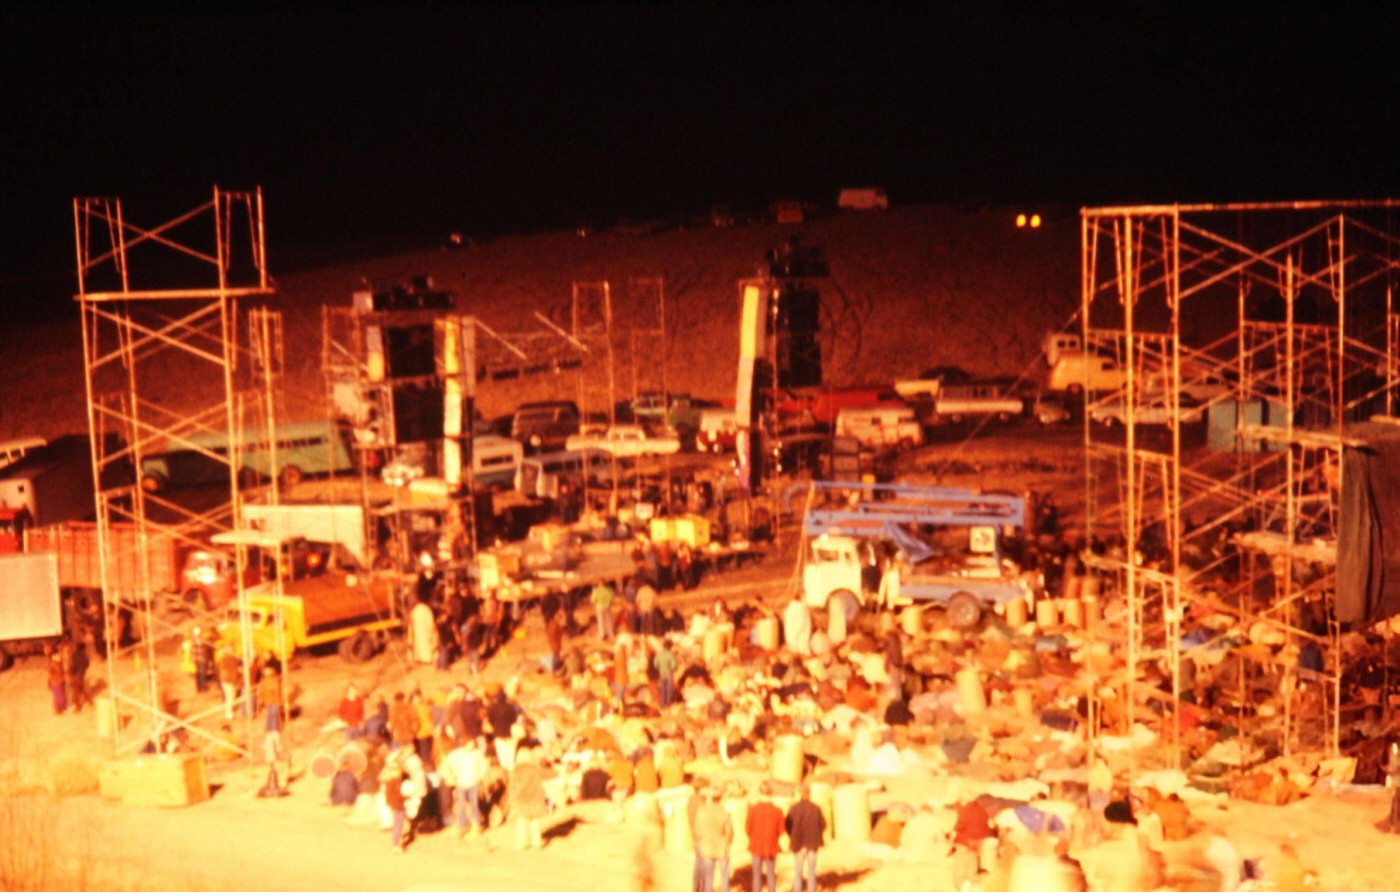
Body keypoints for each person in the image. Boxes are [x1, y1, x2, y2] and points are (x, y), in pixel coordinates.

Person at [440, 736, 489, 837]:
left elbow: (484, 765)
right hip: (460, 783)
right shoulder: (456, 754)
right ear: (464, 744)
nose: (472, 745)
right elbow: (445, 764)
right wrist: (450, 777)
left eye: (472, 743)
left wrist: (480, 776)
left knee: (474, 805)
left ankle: (477, 826)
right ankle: (462, 826)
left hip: (473, 783)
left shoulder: (477, 754)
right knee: (461, 806)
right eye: (469, 743)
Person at [786, 784, 826, 892]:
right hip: (812, 844)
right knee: (811, 872)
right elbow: (823, 825)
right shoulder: (816, 808)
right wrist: (816, 834)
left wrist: (793, 835)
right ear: (809, 794)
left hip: (798, 844)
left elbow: (787, 825)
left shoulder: (794, 808)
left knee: (798, 871)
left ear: (800, 794)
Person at [746, 783, 784, 892]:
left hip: (756, 846)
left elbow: (748, 828)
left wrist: (753, 836)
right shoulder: (777, 811)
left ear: (760, 794)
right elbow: (781, 830)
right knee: (771, 874)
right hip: (771, 846)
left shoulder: (753, 810)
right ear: (771, 794)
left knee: (756, 875)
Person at [510, 747, 551, 849]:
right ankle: (536, 841)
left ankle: (521, 843)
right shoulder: (535, 768)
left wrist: (513, 797)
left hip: (522, 798)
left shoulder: (516, 770)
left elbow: (512, 785)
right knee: (535, 821)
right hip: (535, 797)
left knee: (522, 821)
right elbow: (548, 774)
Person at [694, 786, 734, 892]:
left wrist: (703, 839)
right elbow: (730, 832)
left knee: (708, 878)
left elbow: (697, 831)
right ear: (720, 798)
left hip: (707, 847)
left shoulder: (701, 811)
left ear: (710, 798)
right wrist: (727, 842)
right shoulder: (724, 812)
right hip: (722, 847)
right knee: (725, 877)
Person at [654, 638, 679, 709]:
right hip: (669, 673)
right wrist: (671, 669)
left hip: (661, 673)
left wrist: (660, 668)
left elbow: (655, 664)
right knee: (669, 689)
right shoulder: (671, 655)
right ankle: (668, 703)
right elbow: (674, 665)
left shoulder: (659, 654)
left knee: (662, 689)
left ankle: (662, 703)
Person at [67, 640, 91, 712]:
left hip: (75, 675)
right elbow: (87, 664)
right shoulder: (85, 655)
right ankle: (89, 701)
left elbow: (72, 665)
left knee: (75, 692)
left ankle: (77, 707)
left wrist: (70, 672)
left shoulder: (74, 655)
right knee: (80, 689)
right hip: (82, 674)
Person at [45, 642, 67, 714]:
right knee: (61, 694)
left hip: (55, 682)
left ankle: (58, 709)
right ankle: (62, 706)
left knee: (57, 696)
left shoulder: (54, 664)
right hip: (60, 681)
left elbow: (49, 671)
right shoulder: (59, 663)